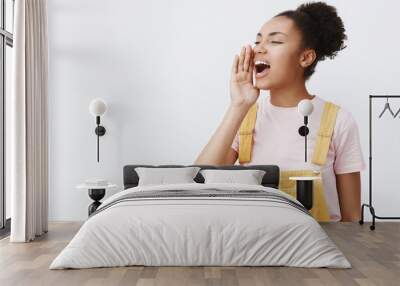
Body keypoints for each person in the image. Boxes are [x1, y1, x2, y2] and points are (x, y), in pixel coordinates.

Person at [195, 1, 365, 222]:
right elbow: (196, 184)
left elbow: (351, 219)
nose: (259, 48)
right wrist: (239, 105)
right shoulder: (246, 117)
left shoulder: (338, 121)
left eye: (275, 41)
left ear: (305, 57)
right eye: (258, 41)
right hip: (255, 249)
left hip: (316, 251)